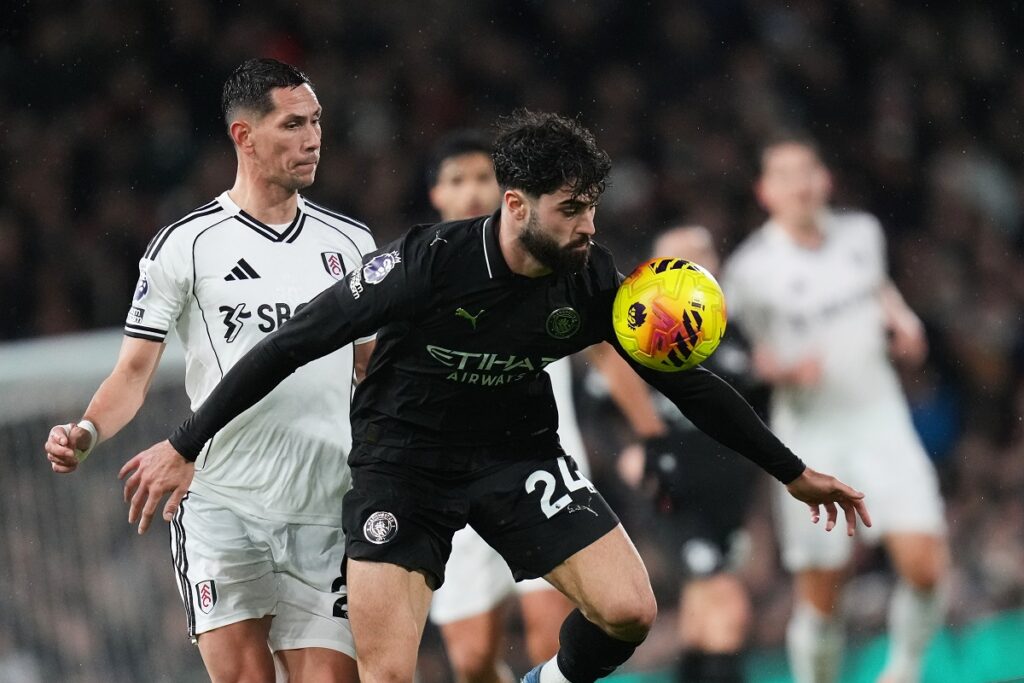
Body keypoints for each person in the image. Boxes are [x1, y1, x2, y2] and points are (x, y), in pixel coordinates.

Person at [120, 110, 870, 683]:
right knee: (389, 675)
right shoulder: (426, 264)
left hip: (515, 456)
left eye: (593, 207)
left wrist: (792, 471)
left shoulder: (589, 278)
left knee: (629, 611)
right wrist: (186, 442)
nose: (589, 226)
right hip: (403, 466)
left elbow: (690, 385)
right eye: (571, 209)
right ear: (517, 205)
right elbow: (290, 343)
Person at [42, 58, 376, 683]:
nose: (313, 139)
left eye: (316, 122)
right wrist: (86, 431)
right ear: (244, 136)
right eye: (293, 125)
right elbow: (133, 373)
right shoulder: (188, 244)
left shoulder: (351, 244)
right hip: (225, 504)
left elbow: (373, 371)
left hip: (327, 506)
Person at [721, 134, 948, 683]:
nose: (799, 184)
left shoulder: (862, 234)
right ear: (765, 192)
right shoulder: (750, 269)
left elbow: (881, 292)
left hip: (880, 419)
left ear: (825, 179)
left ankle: (904, 670)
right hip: (810, 436)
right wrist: (769, 370)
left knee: (925, 567)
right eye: (784, 175)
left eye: (807, 170)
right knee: (824, 594)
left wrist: (906, 326)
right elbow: (725, 351)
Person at [425, 130, 581, 682]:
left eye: (482, 178)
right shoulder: (417, 272)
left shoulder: (545, 261)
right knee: (471, 661)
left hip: (540, 470)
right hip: (452, 483)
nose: (471, 191)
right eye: (456, 179)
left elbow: (607, 350)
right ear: (435, 194)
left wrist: (649, 434)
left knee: (550, 637)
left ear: (507, 192)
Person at [608, 225, 763, 683]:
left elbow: (753, 410)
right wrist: (626, 450)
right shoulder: (637, 334)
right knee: (728, 608)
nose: (694, 265)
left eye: (702, 254)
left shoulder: (735, 334)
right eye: (678, 259)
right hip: (673, 491)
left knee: (702, 620)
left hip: (726, 494)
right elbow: (599, 400)